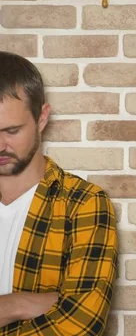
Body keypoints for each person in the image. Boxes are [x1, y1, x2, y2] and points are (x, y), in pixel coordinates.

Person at [0, 51, 118, 335]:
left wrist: (8, 307)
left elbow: (82, 323)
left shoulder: (83, 204)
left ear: (42, 118)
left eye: (12, 130)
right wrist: (21, 304)